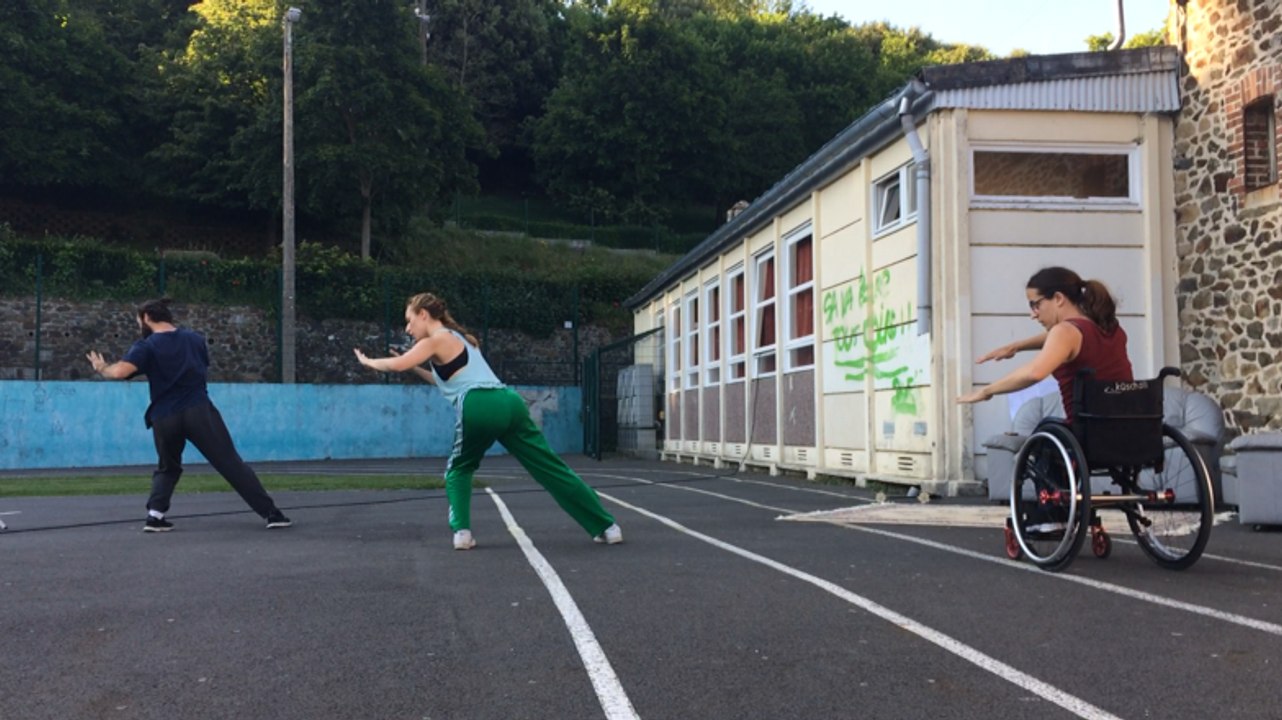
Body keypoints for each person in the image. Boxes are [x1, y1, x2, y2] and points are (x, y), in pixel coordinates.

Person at [354, 292, 622, 550]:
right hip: (510, 401)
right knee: (551, 469)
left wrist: (369, 362)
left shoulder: (435, 339)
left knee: (458, 469)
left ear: (423, 314)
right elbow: (442, 381)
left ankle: (462, 533)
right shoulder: (464, 339)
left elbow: (396, 364)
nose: (408, 328)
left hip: (479, 405)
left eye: (409, 320)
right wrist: (414, 367)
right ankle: (607, 527)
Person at [86, 298, 292, 532]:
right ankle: (272, 514)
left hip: (164, 416)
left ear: (146, 318)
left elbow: (121, 371)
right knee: (229, 463)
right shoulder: (195, 340)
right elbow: (200, 367)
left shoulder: (146, 346)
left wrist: (102, 368)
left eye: (138, 321)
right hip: (198, 411)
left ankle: (155, 516)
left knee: (168, 466)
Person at [957, 266, 1133, 422]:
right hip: (1127, 428)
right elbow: (1062, 340)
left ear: (1058, 298)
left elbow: (1035, 372)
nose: (1033, 314)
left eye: (1035, 304)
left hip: (1089, 436)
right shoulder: (1110, 328)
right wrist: (1016, 346)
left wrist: (987, 391)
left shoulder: (1065, 331)